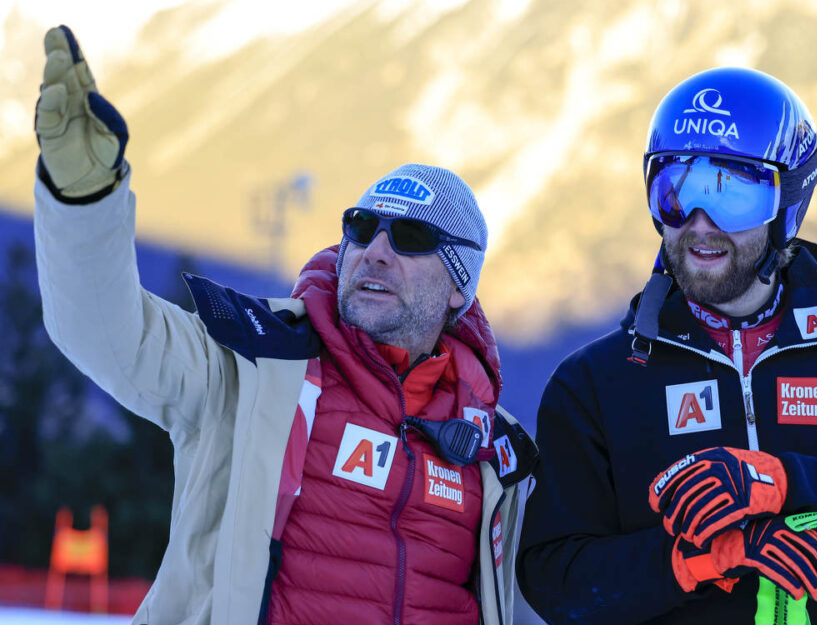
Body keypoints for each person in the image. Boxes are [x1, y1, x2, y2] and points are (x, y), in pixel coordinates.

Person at [33, 25, 536, 625]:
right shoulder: (255, 368)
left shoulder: (498, 451)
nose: (374, 251)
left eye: (410, 238)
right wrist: (83, 201)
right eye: (360, 226)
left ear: (460, 286)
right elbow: (108, 335)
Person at [515, 66, 817, 625]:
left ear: (788, 204)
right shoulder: (596, 381)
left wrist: (797, 485)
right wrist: (700, 559)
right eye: (675, 189)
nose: (698, 223)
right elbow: (555, 583)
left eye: (730, 194)